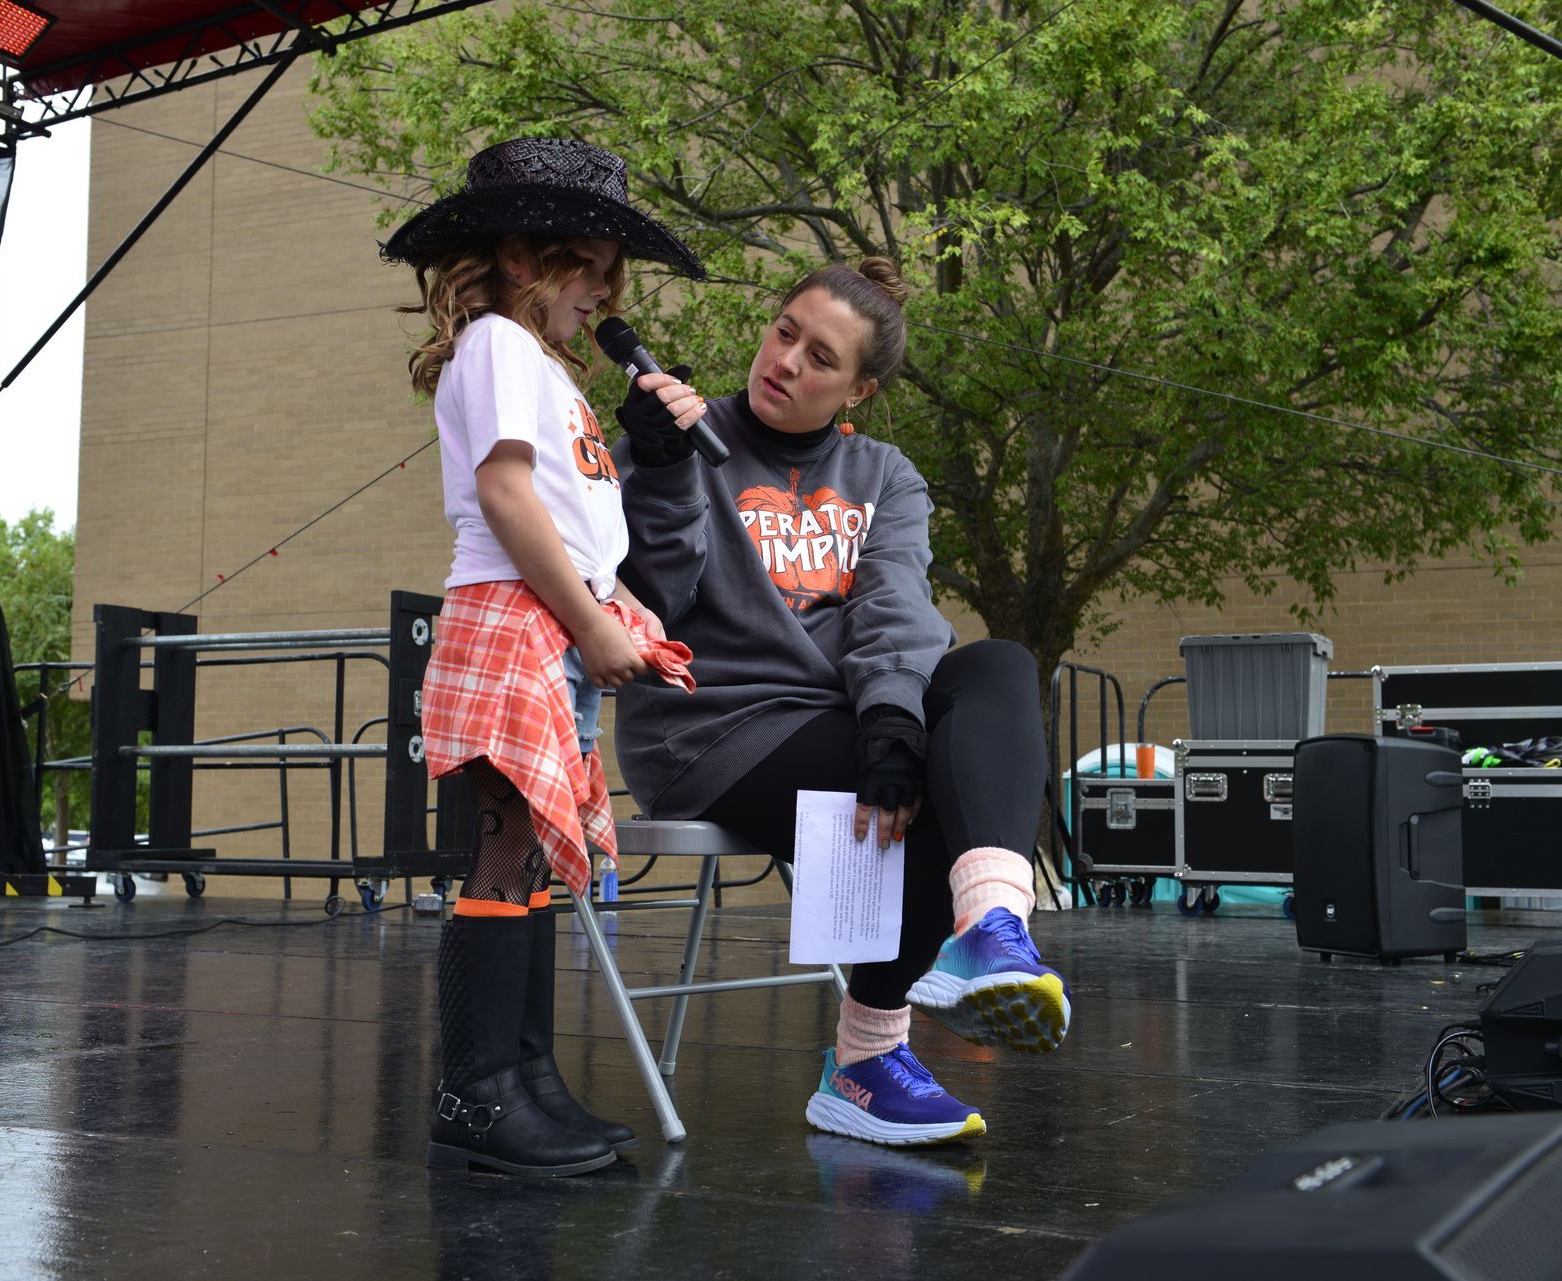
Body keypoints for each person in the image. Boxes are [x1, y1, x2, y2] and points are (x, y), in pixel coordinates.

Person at [611, 257, 1069, 1147]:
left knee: (1001, 663)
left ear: (858, 387)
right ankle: (867, 1060)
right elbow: (654, 603)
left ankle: (992, 926)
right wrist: (663, 471)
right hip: (713, 728)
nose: (785, 361)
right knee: (936, 784)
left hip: (837, 712)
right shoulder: (675, 439)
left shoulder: (883, 474)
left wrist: (890, 720)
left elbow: (895, 603)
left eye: (821, 357)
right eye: (784, 331)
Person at [384, 136, 704, 1177]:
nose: (605, 296)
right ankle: (475, 1096)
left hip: (551, 620)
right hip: (516, 617)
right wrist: (595, 621)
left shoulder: (545, 371)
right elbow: (509, 497)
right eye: (591, 270)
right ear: (524, 258)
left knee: (524, 858)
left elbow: (573, 512)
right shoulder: (499, 349)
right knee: (502, 850)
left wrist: (613, 615)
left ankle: (523, 1080)